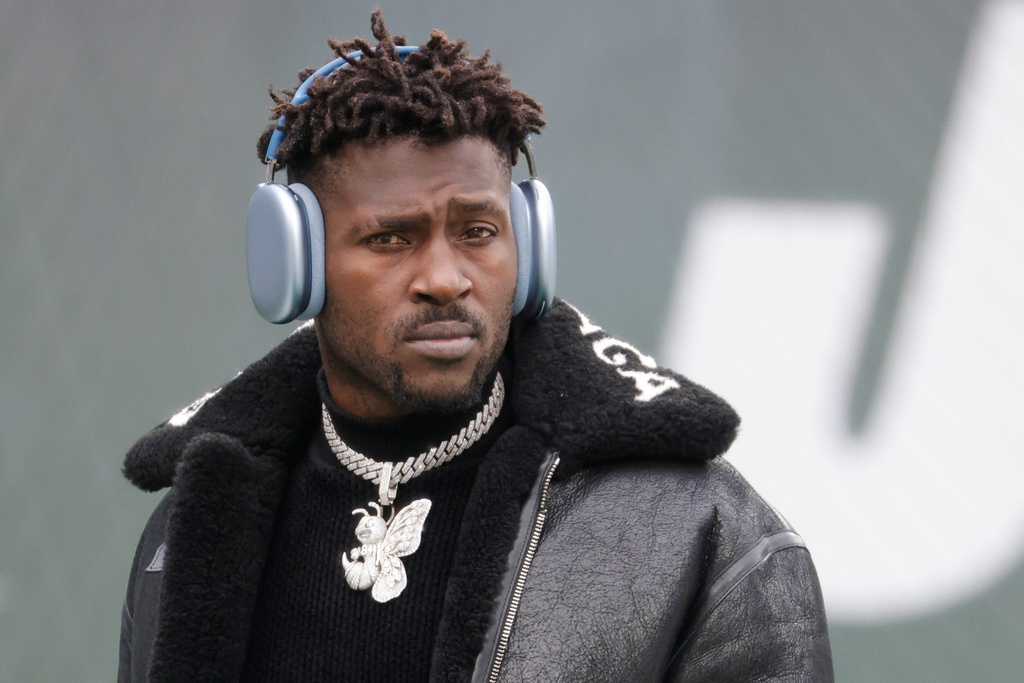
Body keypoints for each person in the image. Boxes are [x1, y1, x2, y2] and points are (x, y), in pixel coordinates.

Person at [118, 10, 833, 682]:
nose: (444, 278)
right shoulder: (190, 537)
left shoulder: (692, 528)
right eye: (390, 238)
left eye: (477, 232)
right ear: (294, 262)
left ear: (527, 242)